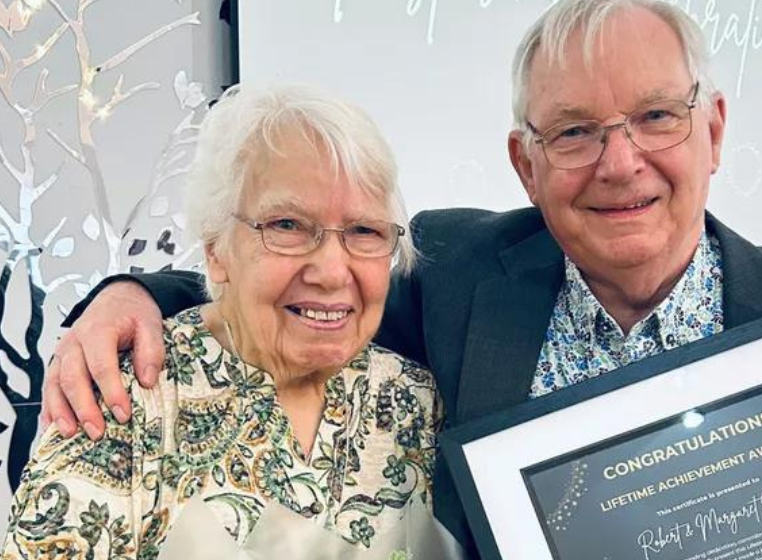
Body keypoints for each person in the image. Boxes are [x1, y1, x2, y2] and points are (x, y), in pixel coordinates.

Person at [37, 0, 762, 556]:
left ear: (715, 131)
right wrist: (127, 298)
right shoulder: (457, 268)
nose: (621, 162)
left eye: (658, 116)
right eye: (573, 132)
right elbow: (296, 291)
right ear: (525, 165)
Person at [2, 85, 448, 557]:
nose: (333, 271)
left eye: (364, 231)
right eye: (287, 226)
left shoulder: (418, 403)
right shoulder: (122, 401)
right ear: (216, 249)